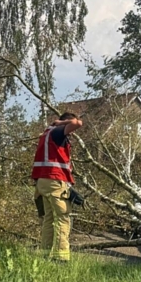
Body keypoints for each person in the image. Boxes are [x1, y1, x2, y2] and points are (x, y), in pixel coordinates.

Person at [31, 112, 83, 262]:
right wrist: (62, 123)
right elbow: (77, 122)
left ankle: (44, 254)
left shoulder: (46, 135)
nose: (71, 135)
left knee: (48, 219)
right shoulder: (58, 131)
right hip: (55, 181)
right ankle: (61, 258)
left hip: (42, 182)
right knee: (62, 218)